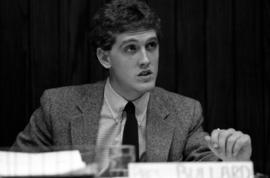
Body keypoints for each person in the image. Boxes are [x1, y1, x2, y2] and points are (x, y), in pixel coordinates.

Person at [11, 0, 252, 176]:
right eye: (131, 48)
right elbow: (16, 167)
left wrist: (234, 163)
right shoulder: (58, 107)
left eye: (151, 45)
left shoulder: (184, 112)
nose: (146, 59)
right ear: (105, 58)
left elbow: (205, 165)